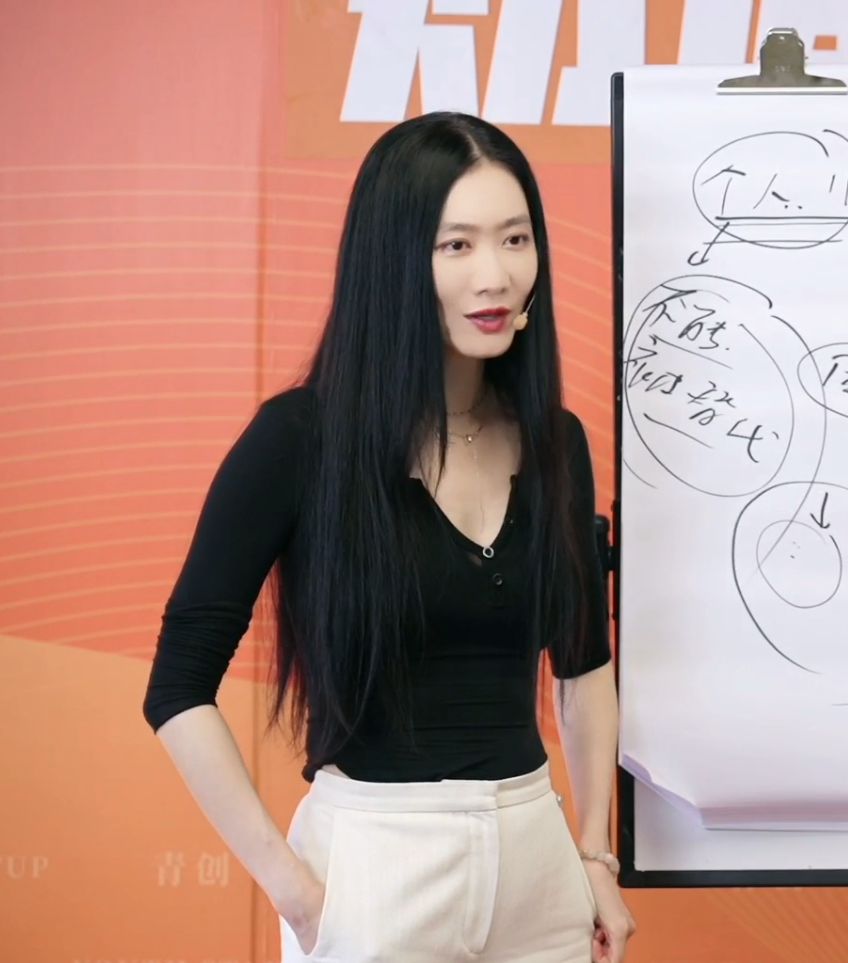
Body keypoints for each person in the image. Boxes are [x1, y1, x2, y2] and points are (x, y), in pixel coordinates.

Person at [141, 111, 635, 963]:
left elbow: (583, 666)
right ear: (394, 259)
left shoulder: (557, 441)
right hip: (377, 864)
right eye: (457, 245)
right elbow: (178, 687)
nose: (496, 275)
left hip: (537, 865)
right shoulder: (300, 439)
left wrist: (594, 853)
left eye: (516, 239)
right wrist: (297, 893)